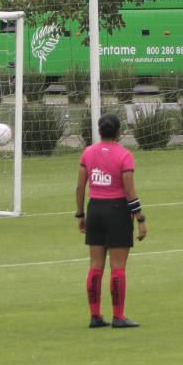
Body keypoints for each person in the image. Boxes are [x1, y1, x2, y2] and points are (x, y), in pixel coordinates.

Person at [76, 113, 146, 329]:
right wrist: (140, 218)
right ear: (119, 132)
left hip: (95, 209)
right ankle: (118, 316)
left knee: (95, 266)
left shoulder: (88, 153)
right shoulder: (124, 156)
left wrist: (80, 215)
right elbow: (129, 190)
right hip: (116, 211)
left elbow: (80, 187)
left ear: (99, 131)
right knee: (118, 268)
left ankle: (95, 316)